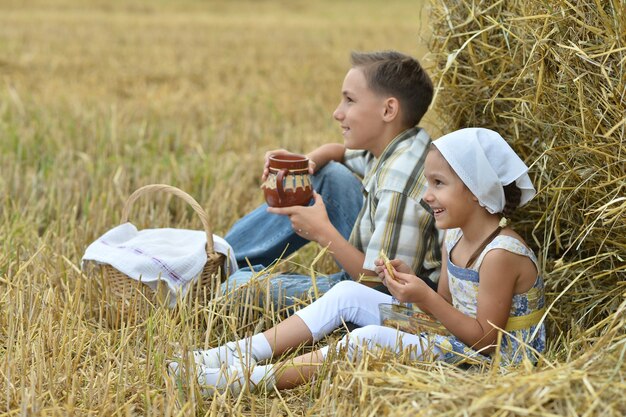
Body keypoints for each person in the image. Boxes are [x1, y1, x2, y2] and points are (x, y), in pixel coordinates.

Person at [169, 128, 547, 394]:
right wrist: (408, 285)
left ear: (478, 189)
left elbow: (485, 341)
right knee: (348, 292)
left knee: (365, 340)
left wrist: (423, 298)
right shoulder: (455, 235)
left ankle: (245, 380)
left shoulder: (500, 254)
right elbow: (447, 307)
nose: (427, 195)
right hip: (453, 337)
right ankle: (230, 355)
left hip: (492, 363)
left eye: (438, 184)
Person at [222, 50, 441, 305]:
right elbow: (337, 153)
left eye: (349, 100)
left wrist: (323, 233)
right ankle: (220, 259)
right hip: (373, 274)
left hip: (385, 302)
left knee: (236, 289)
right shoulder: (403, 144)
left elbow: (382, 286)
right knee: (329, 174)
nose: (338, 113)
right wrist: (304, 164)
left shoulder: (398, 183)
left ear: (388, 109)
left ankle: (224, 274)